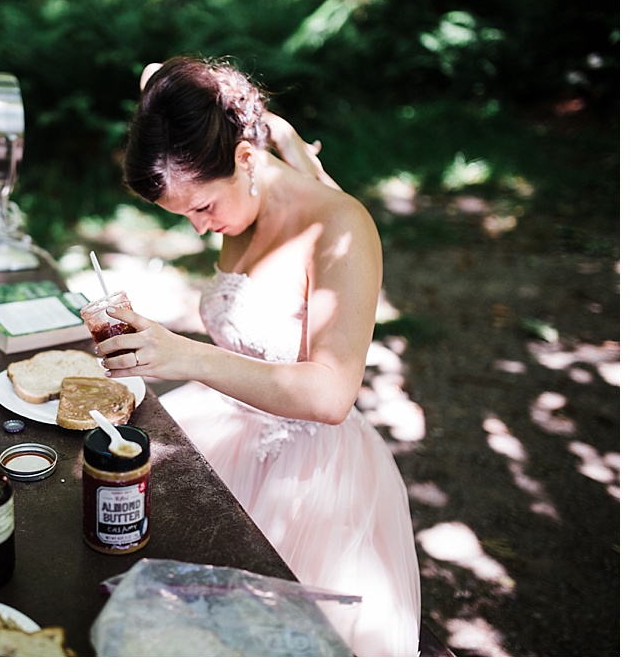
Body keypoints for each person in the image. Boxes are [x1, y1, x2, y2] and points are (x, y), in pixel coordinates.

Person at [98, 56, 421, 656]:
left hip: (309, 474)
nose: (199, 229)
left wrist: (185, 357)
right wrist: (278, 130)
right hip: (226, 428)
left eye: (203, 209)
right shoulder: (238, 175)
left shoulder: (340, 228)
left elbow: (330, 395)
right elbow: (154, 73)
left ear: (245, 161)